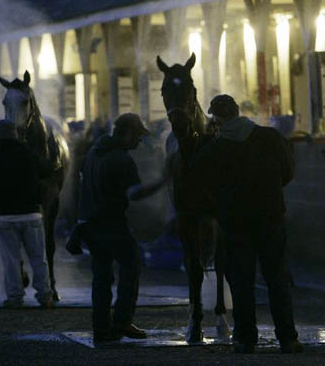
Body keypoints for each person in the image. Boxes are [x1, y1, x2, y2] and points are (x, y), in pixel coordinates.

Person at [190, 95, 303, 354]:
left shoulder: (216, 149)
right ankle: (288, 338)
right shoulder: (271, 137)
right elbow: (288, 171)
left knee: (241, 282)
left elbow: (195, 176)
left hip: (236, 224)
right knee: (277, 280)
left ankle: (245, 337)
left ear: (216, 120)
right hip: (271, 218)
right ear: (239, 112)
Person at [75, 113, 165, 345]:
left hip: (92, 226)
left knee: (101, 277)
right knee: (131, 266)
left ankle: (101, 329)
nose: (138, 142)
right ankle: (122, 321)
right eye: (137, 136)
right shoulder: (121, 159)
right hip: (113, 224)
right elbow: (134, 193)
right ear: (128, 133)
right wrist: (163, 181)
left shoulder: (95, 152)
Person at [0, 119, 53, 308]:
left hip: (6, 217)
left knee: (11, 260)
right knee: (38, 258)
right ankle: (45, 296)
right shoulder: (30, 155)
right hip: (32, 215)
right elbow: (47, 171)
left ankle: (15, 298)